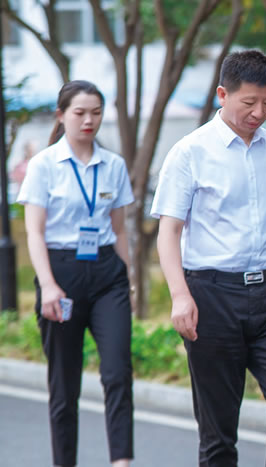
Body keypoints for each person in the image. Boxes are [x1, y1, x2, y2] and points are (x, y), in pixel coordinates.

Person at [151, 50, 266, 466]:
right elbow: (169, 232)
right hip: (212, 297)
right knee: (219, 432)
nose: (259, 112)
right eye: (249, 102)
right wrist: (180, 296)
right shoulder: (189, 152)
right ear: (223, 95)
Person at [17, 80, 134, 467]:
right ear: (61, 115)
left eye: (96, 113)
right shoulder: (44, 165)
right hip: (61, 274)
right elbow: (34, 233)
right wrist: (48, 286)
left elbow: (119, 230)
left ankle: (121, 461)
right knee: (65, 385)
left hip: (107, 276)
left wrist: (128, 280)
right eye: (80, 113)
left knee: (117, 372)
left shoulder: (113, 165)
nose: (88, 120)